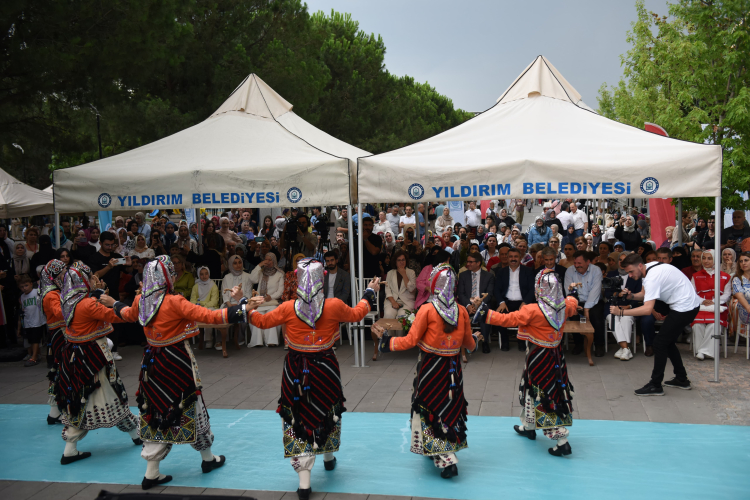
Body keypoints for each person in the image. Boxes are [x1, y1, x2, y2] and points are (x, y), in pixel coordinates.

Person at [100, 256, 249, 489]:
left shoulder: (142, 300)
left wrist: (113, 303)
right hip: (177, 361)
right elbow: (208, 316)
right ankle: (206, 458)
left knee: (156, 409)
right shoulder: (174, 301)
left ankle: (154, 471)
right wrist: (241, 307)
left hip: (152, 363)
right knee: (191, 405)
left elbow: (128, 315)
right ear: (168, 276)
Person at [246, 260, 380, 500]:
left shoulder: (288, 307)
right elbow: (358, 313)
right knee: (327, 410)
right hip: (325, 368)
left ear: (298, 280)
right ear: (322, 278)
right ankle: (328, 457)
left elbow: (261, 322)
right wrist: (369, 291)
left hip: (296, 370)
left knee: (297, 415)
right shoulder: (334, 305)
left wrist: (246, 306)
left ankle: (304, 483)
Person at [373, 264, 481, 478]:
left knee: (431, 408)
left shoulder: (427, 310)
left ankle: (447, 459)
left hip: (431, 368)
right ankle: (443, 450)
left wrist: (385, 342)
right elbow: (469, 344)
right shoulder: (460, 311)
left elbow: (410, 341)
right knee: (450, 406)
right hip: (453, 369)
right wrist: (477, 339)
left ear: (433, 284)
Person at [472, 269, 578, 456]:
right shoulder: (564, 306)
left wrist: (485, 311)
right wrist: (572, 294)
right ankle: (529, 426)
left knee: (541, 394)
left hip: (538, 357)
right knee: (545, 391)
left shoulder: (532, 310)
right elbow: (572, 303)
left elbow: (507, 319)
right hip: (555, 355)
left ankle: (561, 440)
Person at [54, 262, 140, 465]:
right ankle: (135, 434)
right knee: (112, 395)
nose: (94, 278)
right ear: (82, 281)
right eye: (90, 276)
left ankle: (70, 449)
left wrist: (98, 294)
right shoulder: (88, 305)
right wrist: (118, 301)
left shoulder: (67, 300)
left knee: (80, 399)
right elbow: (123, 316)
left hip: (75, 358)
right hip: (94, 356)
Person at [610, 253, 702, 396]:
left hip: (685, 308)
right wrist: (631, 296)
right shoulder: (650, 267)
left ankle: (655, 385)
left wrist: (620, 312)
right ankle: (681, 379)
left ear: (640, 266)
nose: (630, 275)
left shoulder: (652, 277)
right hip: (685, 304)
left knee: (659, 343)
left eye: (631, 271)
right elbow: (644, 294)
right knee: (667, 342)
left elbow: (647, 309)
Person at [87, 231, 129, 360]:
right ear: (100, 243)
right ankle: (102, 349)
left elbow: (126, 271)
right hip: (99, 295)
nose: (110, 247)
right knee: (101, 321)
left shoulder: (116, 256)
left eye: (112, 244)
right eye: (107, 245)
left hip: (114, 294)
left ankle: (114, 349)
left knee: (115, 321)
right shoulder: (94, 258)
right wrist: (109, 267)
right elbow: (95, 275)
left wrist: (129, 263)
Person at [690, 250, 731, 360]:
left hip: (718, 307)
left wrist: (715, 301)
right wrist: (702, 301)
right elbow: (692, 294)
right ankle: (703, 351)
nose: (706, 261)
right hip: (701, 307)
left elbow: (727, 294)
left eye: (709, 258)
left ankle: (702, 351)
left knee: (714, 325)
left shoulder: (725, 276)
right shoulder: (696, 276)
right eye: (704, 258)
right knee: (698, 325)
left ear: (715, 259)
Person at [40, 260, 67, 424]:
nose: (65, 276)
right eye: (62, 273)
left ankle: (54, 412)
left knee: (60, 370)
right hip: (59, 335)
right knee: (62, 370)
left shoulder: (56, 291)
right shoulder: (51, 294)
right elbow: (59, 313)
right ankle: (57, 410)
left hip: (61, 334)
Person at [493, 247, 535, 351]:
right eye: (510, 256)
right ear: (507, 258)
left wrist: (525, 302)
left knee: (525, 316)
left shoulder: (528, 271)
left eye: (516, 256)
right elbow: (496, 290)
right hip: (506, 302)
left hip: (523, 302)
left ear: (520, 257)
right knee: (499, 316)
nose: (513, 259)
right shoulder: (501, 272)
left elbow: (532, 289)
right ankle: (505, 341)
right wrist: (501, 302)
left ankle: (521, 341)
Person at [564, 251, 605, 357]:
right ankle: (578, 344)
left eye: (579, 263)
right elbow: (569, 290)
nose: (577, 266)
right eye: (575, 263)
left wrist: (586, 309)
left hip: (594, 301)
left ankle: (599, 345)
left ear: (588, 262)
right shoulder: (570, 271)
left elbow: (595, 291)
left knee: (596, 316)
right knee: (573, 314)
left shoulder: (596, 270)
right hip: (576, 300)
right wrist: (574, 304)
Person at [604, 252, 642, 361]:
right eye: (620, 260)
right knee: (613, 319)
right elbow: (607, 294)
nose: (622, 263)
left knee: (626, 319)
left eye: (625, 260)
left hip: (628, 307)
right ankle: (626, 349)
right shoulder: (611, 274)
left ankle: (623, 349)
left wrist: (629, 306)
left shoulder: (635, 275)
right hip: (612, 306)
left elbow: (639, 295)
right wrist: (617, 294)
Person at [458, 252, 495, 353]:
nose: (468, 264)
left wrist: (479, 304)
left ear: (478, 263)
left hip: (482, 303)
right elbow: (461, 294)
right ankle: (462, 342)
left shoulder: (488, 276)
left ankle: (485, 341)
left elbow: (490, 294)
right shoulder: (463, 275)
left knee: (484, 312)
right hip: (467, 304)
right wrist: (469, 305)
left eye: (470, 262)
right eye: (467, 261)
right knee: (459, 313)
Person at [248, 252, 284, 347]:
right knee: (256, 314)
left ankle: (271, 341)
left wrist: (270, 297)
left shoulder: (280, 274)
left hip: (272, 302)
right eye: (266, 259)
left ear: (274, 261)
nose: (268, 262)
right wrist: (259, 265)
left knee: (271, 314)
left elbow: (280, 291)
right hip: (260, 302)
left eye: (270, 260)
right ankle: (257, 342)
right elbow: (252, 279)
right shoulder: (261, 272)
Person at [382, 250, 416, 342]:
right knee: (389, 315)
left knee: (402, 315)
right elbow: (387, 289)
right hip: (392, 300)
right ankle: (390, 339)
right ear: (395, 262)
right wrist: (393, 302)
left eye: (403, 260)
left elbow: (411, 289)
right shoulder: (390, 273)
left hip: (407, 301)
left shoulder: (411, 272)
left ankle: (400, 341)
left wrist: (404, 274)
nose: (401, 262)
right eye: (399, 260)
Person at [190, 266, 221, 349]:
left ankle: (208, 339)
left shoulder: (213, 285)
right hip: (198, 307)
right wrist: (198, 306)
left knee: (208, 314)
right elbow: (192, 300)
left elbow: (214, 301)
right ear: (198, 275)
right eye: (202, 274)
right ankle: (199, 339)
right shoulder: (196, 286)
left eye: (206, 274)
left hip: (211, 307)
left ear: (209, 274)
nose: (204, 276)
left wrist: (204, 306)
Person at [19, 274, 46, 367]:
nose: (24, 288)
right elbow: (24, 309)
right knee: (31, 340)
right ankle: (37, 355)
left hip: (37, 320)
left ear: (31, 284)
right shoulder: (22, 297)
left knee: (36, 340)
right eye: (22, 287)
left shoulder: (37, 292)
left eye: (26, 285)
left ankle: (33, 357)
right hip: (28, 321)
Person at [731, 252, 750, 340]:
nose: (743, 263)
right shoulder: (737, 279)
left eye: (746, 260)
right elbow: (740, 296)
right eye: (741, 261)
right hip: (745, 309)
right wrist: (748, 307)